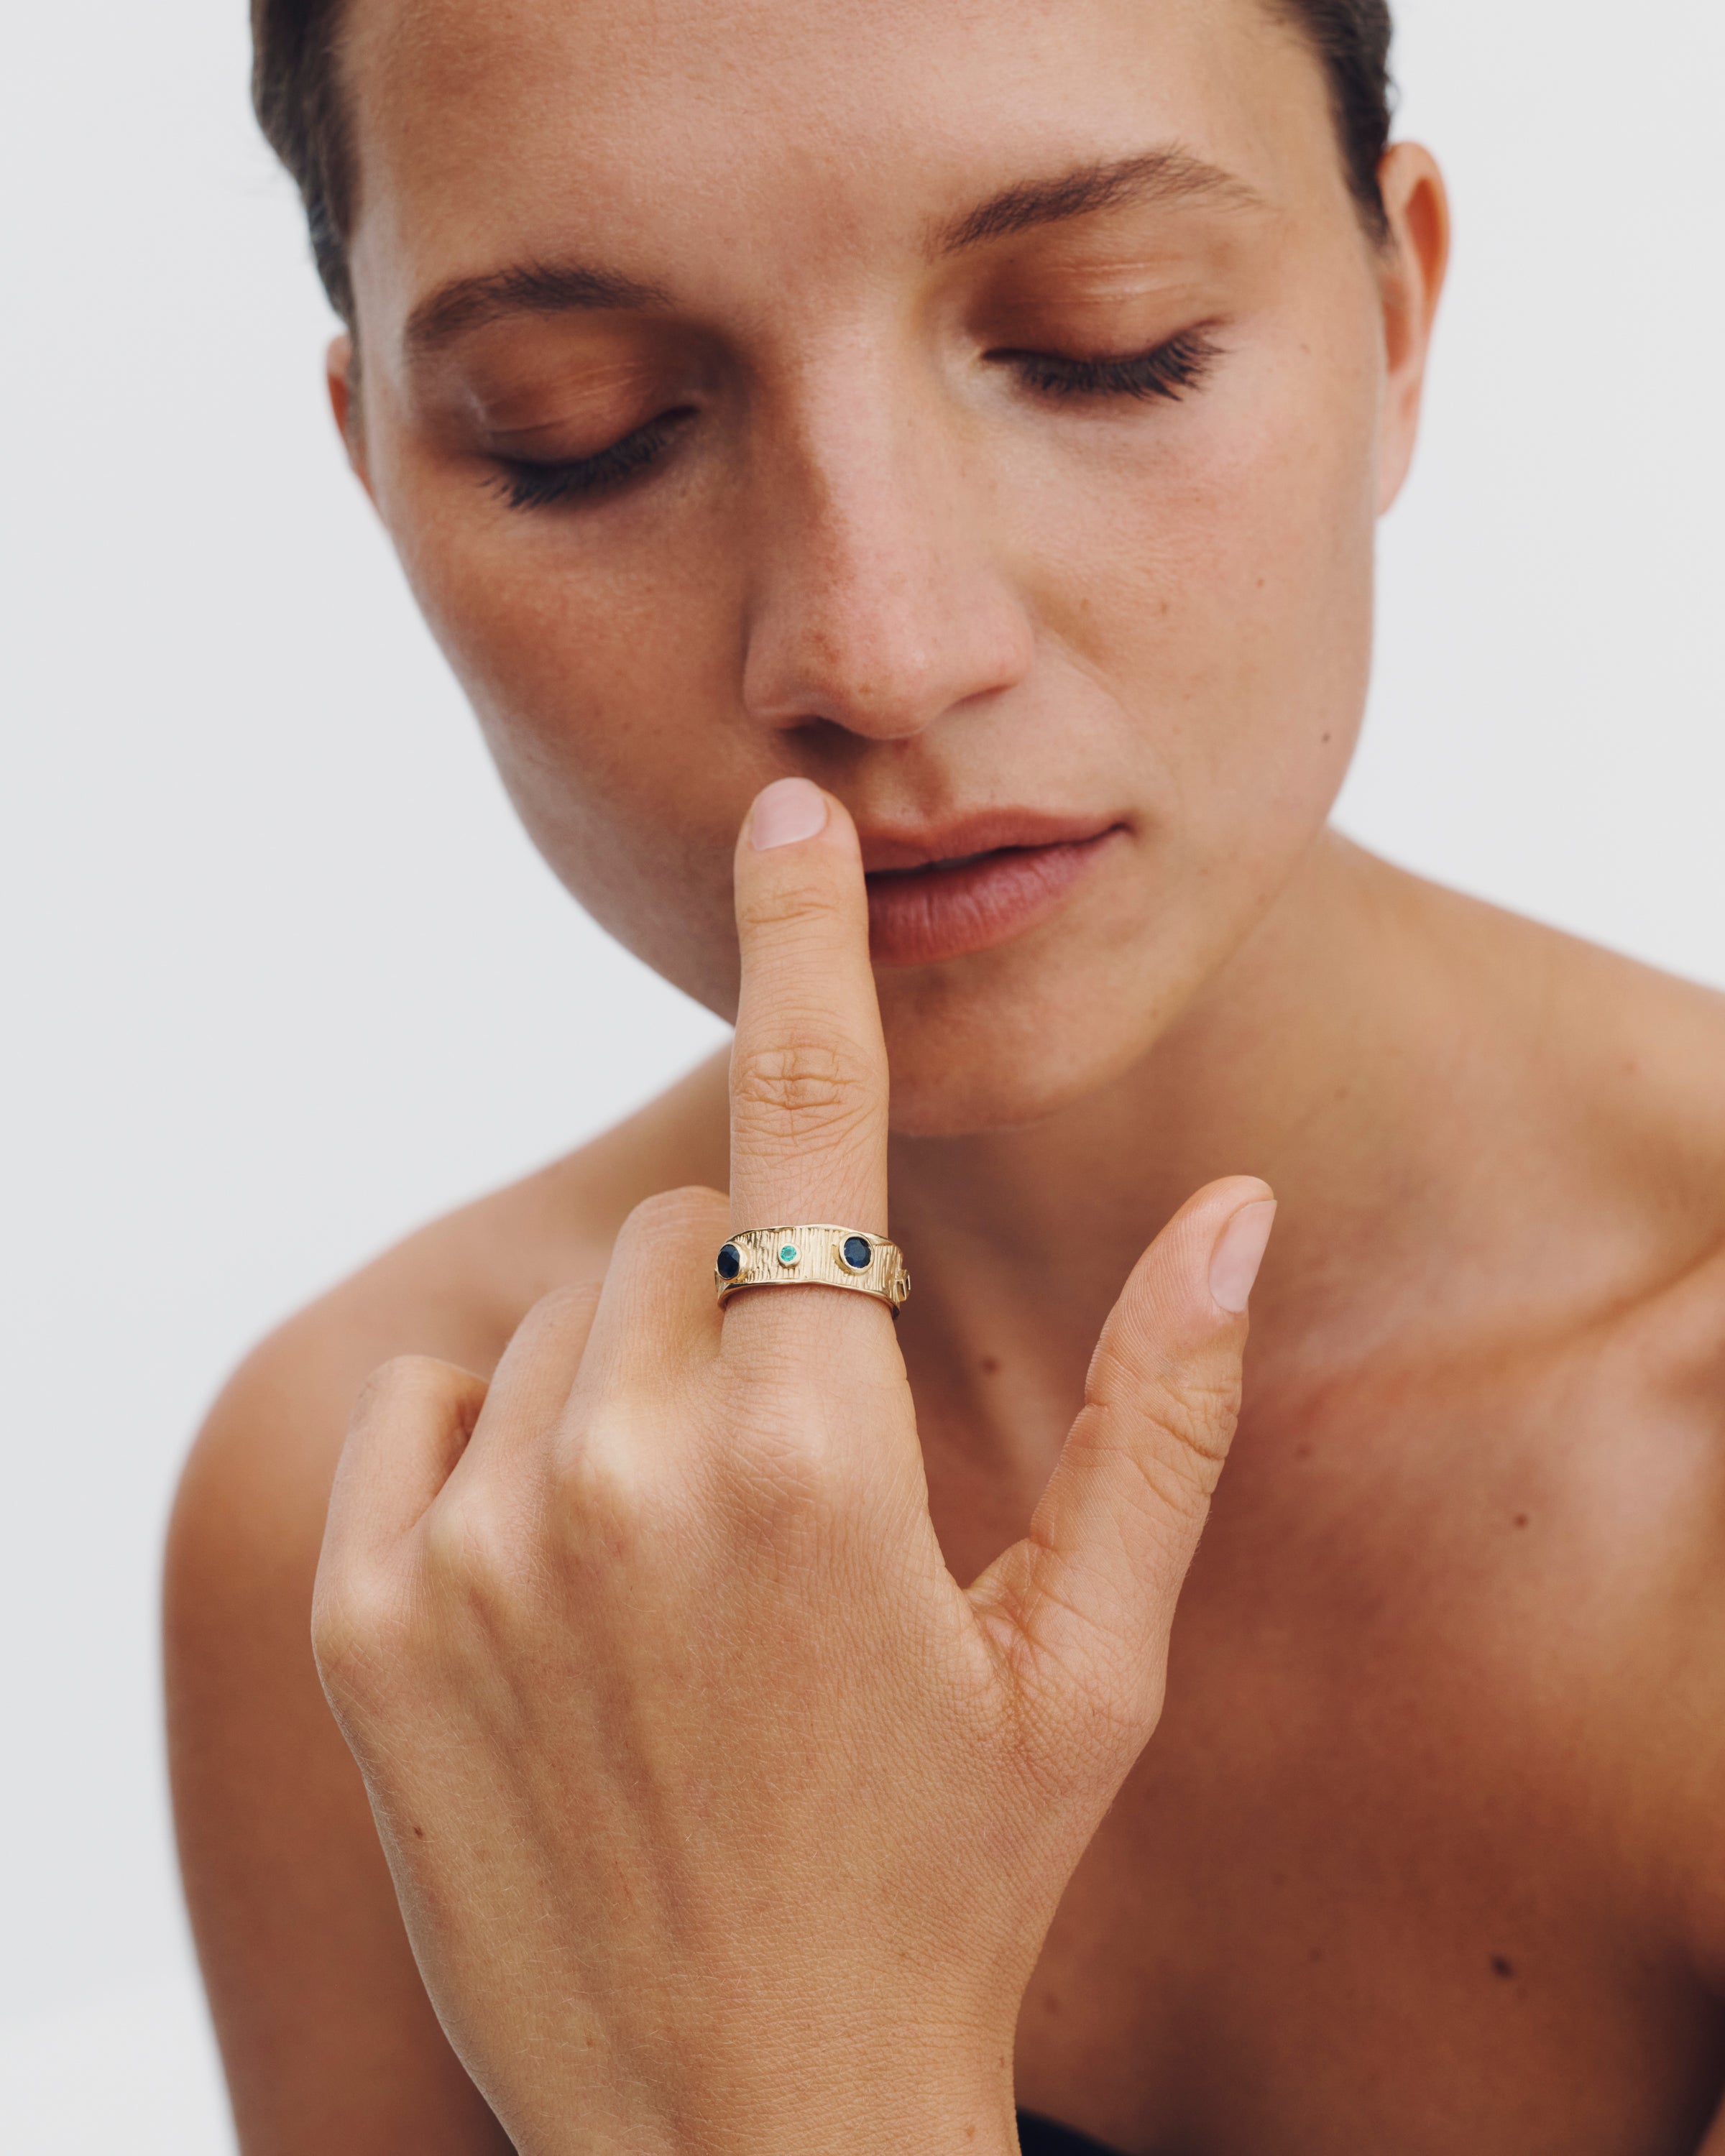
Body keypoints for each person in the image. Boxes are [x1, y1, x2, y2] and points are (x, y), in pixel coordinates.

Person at [163, 0, 1725, 2148]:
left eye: (1109, 346)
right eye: (582, 432)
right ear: (382, 477)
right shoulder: (405, 1528)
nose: (879, 648)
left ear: (1396, 319)